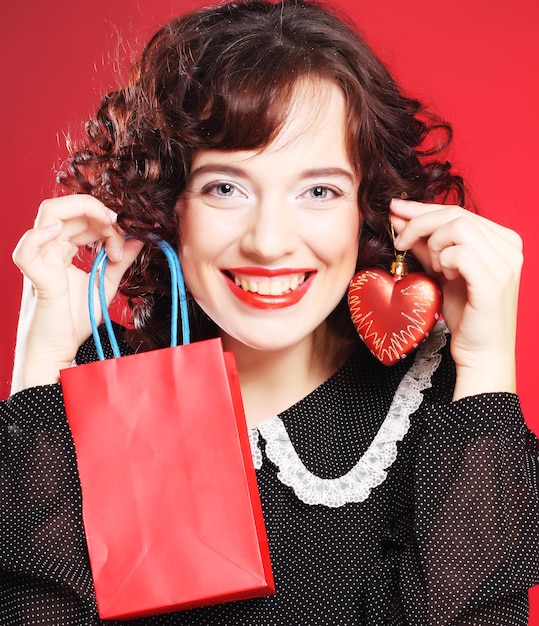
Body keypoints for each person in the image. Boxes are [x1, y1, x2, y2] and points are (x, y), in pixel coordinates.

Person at [1, 0, 538, 624]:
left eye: (319, 190)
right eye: (225, 187)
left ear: (371, 206)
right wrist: (41, 365)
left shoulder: (435, 405)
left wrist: (487, 362)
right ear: (169, 201)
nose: (270, 241)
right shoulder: (94, 383)